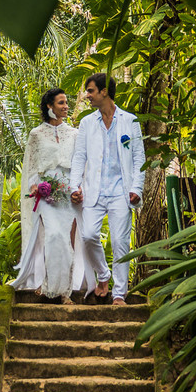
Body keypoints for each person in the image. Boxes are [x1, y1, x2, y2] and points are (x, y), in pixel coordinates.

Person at [11, 88, 93, 302]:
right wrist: (34, 186)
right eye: (61, 103)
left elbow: (82, 164)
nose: (66, 106)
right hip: (47, 193)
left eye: (67, 102)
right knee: (53, 237)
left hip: (70, 193)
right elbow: (30, 166)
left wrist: (80, 189)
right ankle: (48, 284)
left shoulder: (75, 134)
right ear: (49, 106)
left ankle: (62, 291)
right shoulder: (36, 135)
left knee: (68, 240)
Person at [70, 73, 145, 305]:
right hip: (94, 191)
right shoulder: (86, 123)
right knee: (89, 235)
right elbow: (79, 157)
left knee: (121, 242)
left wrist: (136, 188)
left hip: (121, 193)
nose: (87, 96)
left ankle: (120, 293)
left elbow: (138, 158)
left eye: (90, 90)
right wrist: (75, 185)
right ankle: (104, 275)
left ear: (104, 92)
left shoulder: (130, 121)